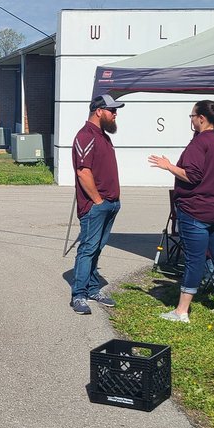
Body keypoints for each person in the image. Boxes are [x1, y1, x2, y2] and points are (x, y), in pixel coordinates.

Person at [148, 100, 214, 323]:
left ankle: (181, 311)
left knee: (194, 259)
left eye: (192, 116)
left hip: (197, 210)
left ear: (201, 118)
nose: (190, 120)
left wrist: (168, 165)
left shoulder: (200, 143)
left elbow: (192, 175)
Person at [69, 94, 124, 314]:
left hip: (110, 204)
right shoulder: (85, 136)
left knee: (97, 249)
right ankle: (79, 295)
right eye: (112, 111)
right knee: (88, 249)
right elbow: (83, 172)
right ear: (99, 111)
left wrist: (112, 201)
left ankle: (93, 289)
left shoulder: (103, 137)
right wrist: (98, 201)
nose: (115, 114)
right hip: (96, 207)